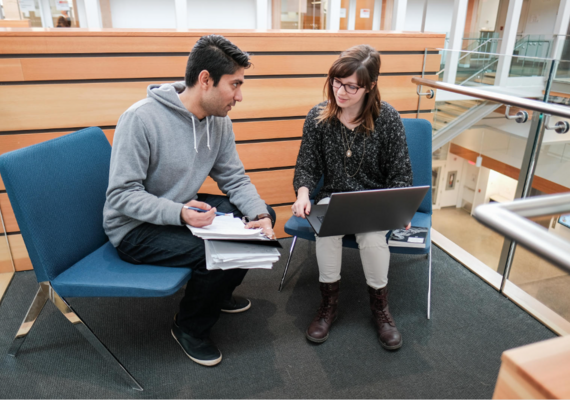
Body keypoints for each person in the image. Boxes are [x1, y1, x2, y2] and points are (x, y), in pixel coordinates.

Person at [103, 35, 276, 367]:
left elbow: (234, 178)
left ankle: (217, 292)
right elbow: (121, 196)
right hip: (134, 228)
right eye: (235, 84)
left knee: (260, 214)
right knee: (216, 251)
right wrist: (180, 213)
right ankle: (189, 328)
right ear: (206, 80)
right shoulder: (140, 119)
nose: (239, 96)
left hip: (184, 208)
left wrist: (258, 213)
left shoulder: (219, 121)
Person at [291, 44, 413, 350]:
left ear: (370, 86)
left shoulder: (388, 119)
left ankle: (380, 310)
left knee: (372, 238)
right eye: (335, 82)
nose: (340, 91)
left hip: (374, 199)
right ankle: (328, 305)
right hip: (333, 196)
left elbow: (401, 175)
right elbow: (306, 165)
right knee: (326, 233)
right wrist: (303, 194)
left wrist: (399, 210)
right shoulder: (318, 117)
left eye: (350, 86)